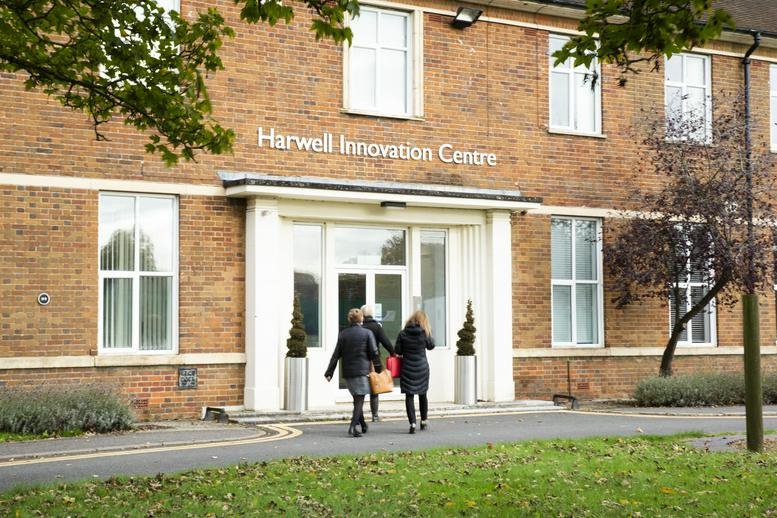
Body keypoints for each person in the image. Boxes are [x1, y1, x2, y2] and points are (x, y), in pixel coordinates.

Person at [324, 308, 382, 438]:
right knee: (359, 399)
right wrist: (378, 369)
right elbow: (374, 352)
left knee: (357, 399)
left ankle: (363, 425)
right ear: (361, 318)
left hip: (348, 372)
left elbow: (336, 355)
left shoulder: (343, 334)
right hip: (362, 371)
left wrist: (329, 372)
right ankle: (352, 427)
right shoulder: (367, 333)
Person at [394, 309, 435, 434]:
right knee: (423, 394)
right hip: (422, 368)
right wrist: (429, 332)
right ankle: (423, 421)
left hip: (407, 368)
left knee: (409, 396)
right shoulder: (424, 333)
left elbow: (398, 350)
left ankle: (412, 423)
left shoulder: (403, 333)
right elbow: (431, 346)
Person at [360, 304, 397, 422]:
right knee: (374, 386)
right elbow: (386, 342)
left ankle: (359, 415)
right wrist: (393, 353)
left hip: (361, 361)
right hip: (375, 360)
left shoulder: (360, 327)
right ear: (372, 315)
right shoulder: (377, 327)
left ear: (362, 315)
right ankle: (375, 415)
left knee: (360, 389)